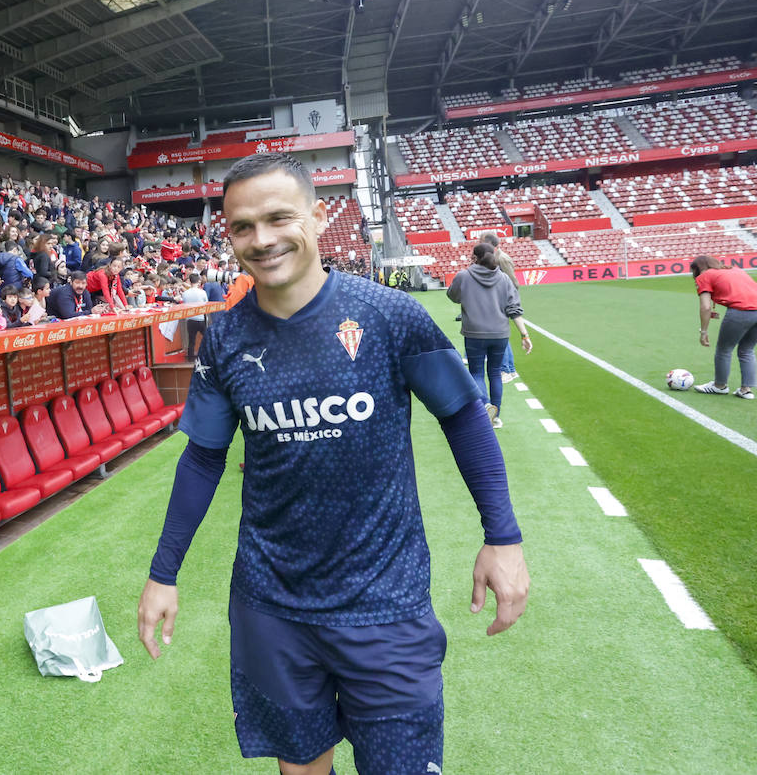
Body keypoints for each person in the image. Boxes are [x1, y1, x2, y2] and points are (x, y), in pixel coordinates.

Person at [137, 153, 528, 775]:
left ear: (318, 218)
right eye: (242, 227)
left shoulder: (389, 316)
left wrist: (502, 537)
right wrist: (164, 573)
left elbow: (462, 415)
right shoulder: (226, 338)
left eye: (277, 218)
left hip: (386, 603)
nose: (261, 240)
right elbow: (204, 458)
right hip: (273, 606)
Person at [446, 243, 532, 429]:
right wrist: (524, 335)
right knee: (494, 373)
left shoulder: (464, 276)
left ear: (474, 258)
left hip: (474, 333)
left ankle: (485, 404)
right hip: (500, 333)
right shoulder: (504, 279)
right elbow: (514, 309)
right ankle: (496, 415)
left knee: (476, 372)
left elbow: (452, 295)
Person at [690, 255, 757, 399]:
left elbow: (705, 306)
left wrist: (703, 332)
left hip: (742, 311)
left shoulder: (704, 276)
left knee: (724, 349)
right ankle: (746, 390)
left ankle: (719, 386)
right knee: (747, 350)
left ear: (697, 269)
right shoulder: (734, 269)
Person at [479, 232, 521, 382]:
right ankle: (510, 369)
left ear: (489, 243)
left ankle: (506, 370)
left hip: (502, 302)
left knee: (499, 335)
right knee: (501, 336)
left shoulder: (501, 259)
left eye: (481, 241)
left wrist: (508, 302)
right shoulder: (493, 258)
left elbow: (512, 282)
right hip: (498, 301)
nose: (478, 243)